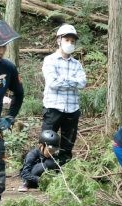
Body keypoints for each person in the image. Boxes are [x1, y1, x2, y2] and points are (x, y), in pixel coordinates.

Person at [42, 24, 86, 164]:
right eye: (67, 40)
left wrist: (64, 80)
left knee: (67, 146)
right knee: (47, 144)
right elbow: (53, 83)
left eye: (72, 41)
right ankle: (36, 175)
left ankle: (63, 175)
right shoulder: (50, 60)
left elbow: (83, 83)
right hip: (53, 108)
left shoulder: (77, 64)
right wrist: (73, 81)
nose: (70, 43)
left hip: (72, 110)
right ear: (59, 40)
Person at [0, 20, 23, 206]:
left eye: (4, 46)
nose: (1, 51)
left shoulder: (8, 68)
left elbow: (19, 94)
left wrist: (10, 116)